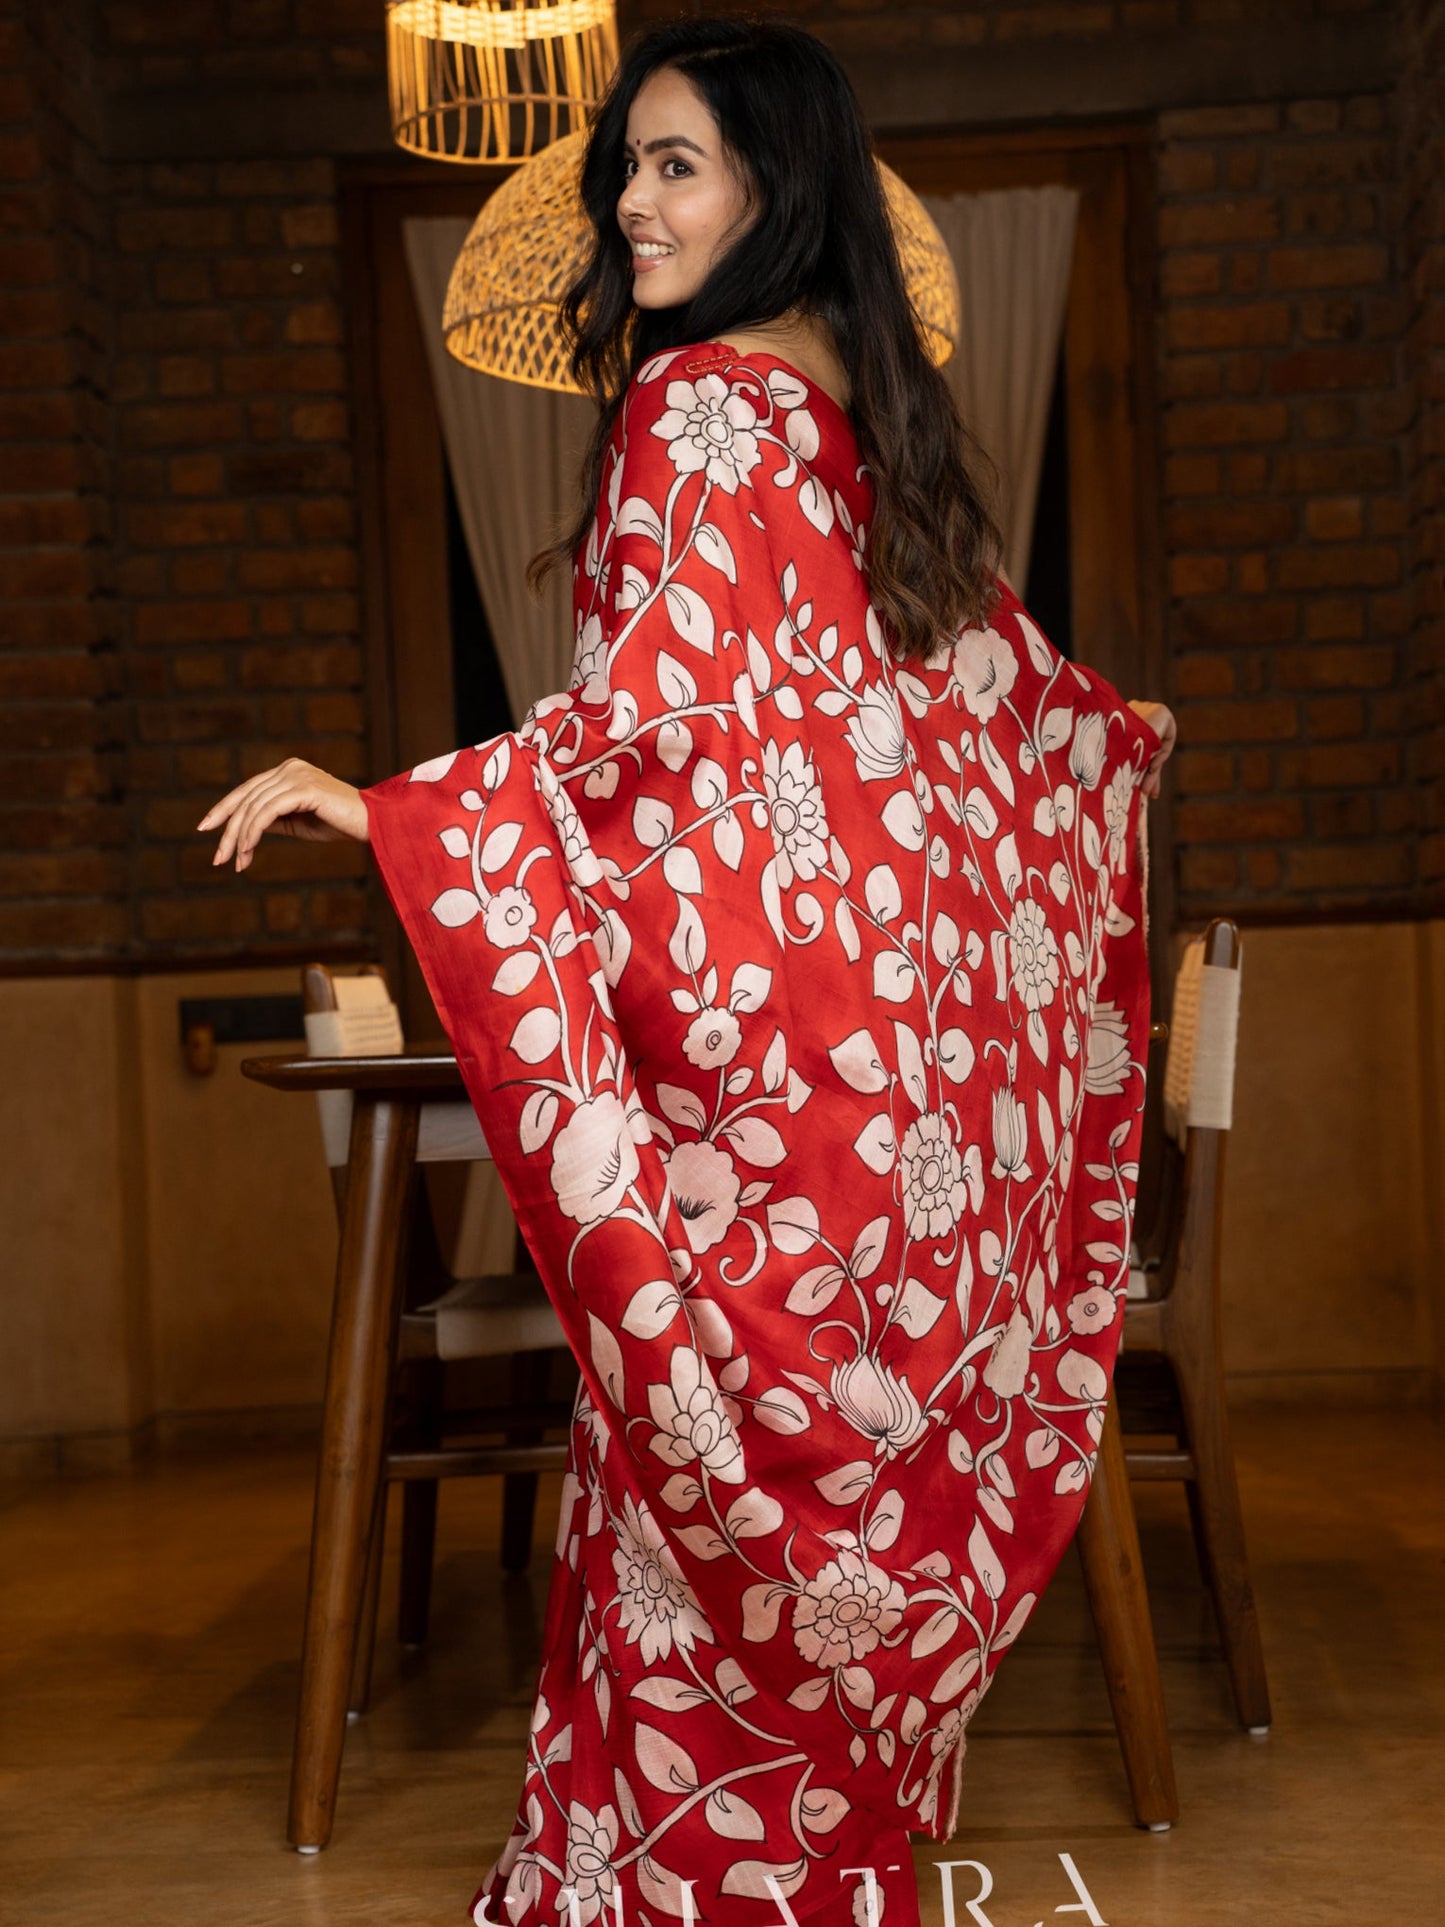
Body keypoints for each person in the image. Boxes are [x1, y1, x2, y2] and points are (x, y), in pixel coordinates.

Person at [200, 18, 1176, 1926]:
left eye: (672, 167)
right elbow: (993, 703)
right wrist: (1105, 745)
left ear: (773, 187)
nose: (626, 207)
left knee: (695, 1510)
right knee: (834, 1483)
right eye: (623, 169)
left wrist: (394, 806)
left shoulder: (698, 411)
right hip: (898, 1107)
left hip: (767, 1090)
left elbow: (644, 726)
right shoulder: (870, 430)